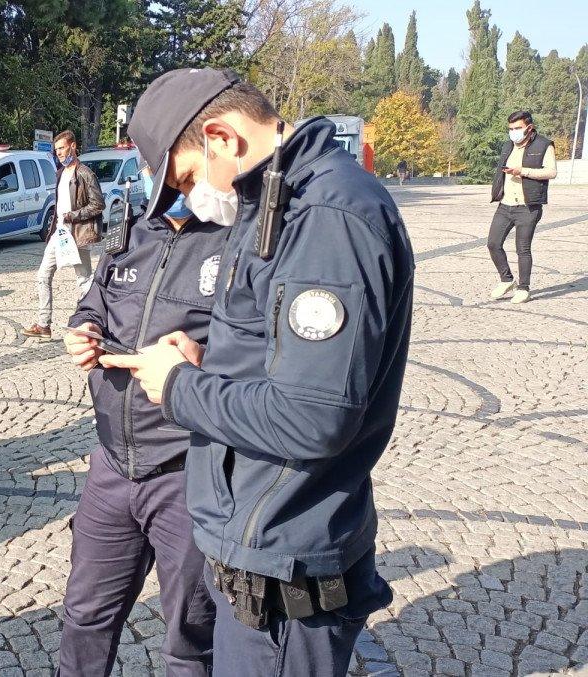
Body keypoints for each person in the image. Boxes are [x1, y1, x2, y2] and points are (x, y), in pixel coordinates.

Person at [101, 69, 414, 676]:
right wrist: (207, 365)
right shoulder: (275, 198)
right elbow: (277, 360)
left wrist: (179, 387)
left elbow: (312, 417)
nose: (191, 199)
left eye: (188, 178)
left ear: (222, 137)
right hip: (256, 543)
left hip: (284, 562)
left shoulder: (325, 215)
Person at [59, 184, 224, 674]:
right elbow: (95, 302)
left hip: (187, 470)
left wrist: (203, 362)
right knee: (84, 618)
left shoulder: (237, 243)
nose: (166, 178)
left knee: (189, 635)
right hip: (111, 465)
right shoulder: (128, 233)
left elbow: (263, 355)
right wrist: (82, 329)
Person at [21, 130, 103, 340]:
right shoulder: (61, 172)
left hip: (77, 233)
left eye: (62, 148)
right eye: (56, 149)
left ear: (73, 146)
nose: (59, 153)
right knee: (43, 275)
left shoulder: (85, 173)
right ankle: (43, 324)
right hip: (60, 233)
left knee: (84, 279)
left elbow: (98, 204)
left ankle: (92, 322)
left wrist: (73, 215)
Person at [487, 110, 556, 304]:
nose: (513, 132)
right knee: (493, 243)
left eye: (517, 128)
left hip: (528, 206)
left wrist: (523, 172)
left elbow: (551, 172)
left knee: (522, 248)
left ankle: (524, 288)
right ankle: (506, 279)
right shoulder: (508, 146)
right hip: (505, 204)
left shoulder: (544, 145)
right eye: (510, 129)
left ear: (529, 127)